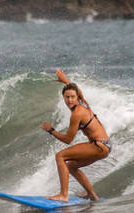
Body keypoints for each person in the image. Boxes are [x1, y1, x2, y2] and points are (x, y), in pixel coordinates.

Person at [40, 69, 110, 201]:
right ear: (64, 97)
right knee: (71, 166)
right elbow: (77, 90)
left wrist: (51, 130)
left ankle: (63, 195)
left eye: (72, 97)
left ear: (77, 97)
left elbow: (68, 140)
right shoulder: (83, 103)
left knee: (60, 156)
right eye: (67, 97)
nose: (70, 100)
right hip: (105, 146)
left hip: (98, 145)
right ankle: (92, 195)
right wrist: (65, 81)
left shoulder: (77, 113)